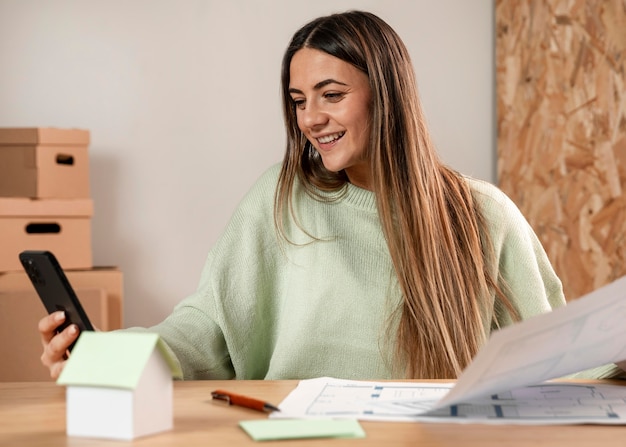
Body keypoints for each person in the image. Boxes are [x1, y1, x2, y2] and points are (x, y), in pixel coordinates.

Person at [39, 10, 624, 381]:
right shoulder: (279, 199)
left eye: (331, 94)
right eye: (298, 100)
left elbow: (552, 352)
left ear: (384, 95)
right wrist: (102, 357)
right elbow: (205, 329)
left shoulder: (481, 214)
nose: (311, 118)